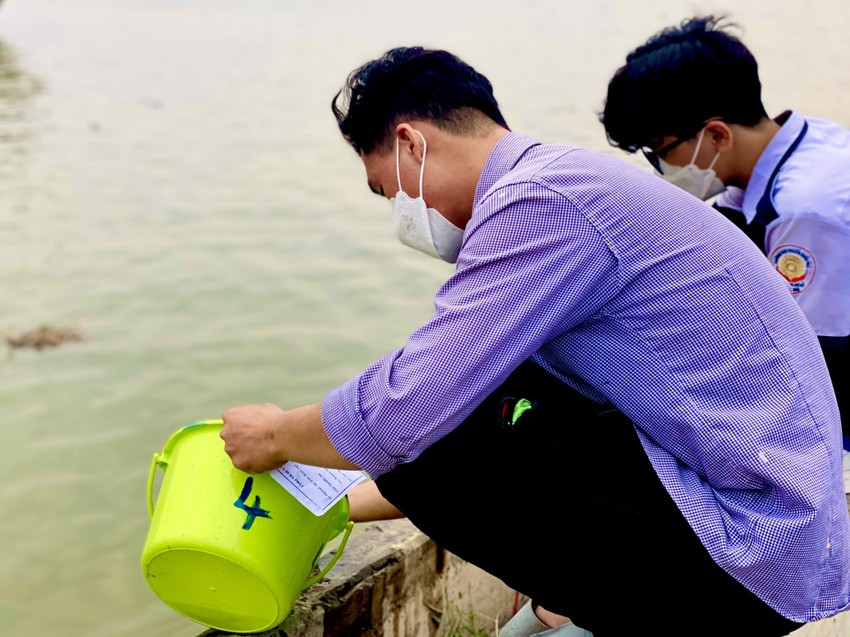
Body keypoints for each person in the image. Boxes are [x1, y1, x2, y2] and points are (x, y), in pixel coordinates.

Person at [219, 45, 850, 636]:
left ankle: (609, 602)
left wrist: (274, 437)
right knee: (497, 396)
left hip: (751, 542)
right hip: (778, 515)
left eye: (389, 192)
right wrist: (342, 499)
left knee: (430, 422)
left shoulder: (539, 202)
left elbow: (407, 407)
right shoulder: (564, 179)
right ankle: (593, 592)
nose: (401, 215)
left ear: (411, 144)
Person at [599, 15, 850, 474]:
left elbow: (814, 364)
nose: (659, 169)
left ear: (716, 135)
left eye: (660, 151)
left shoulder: (805, 210)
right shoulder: (785, 150)